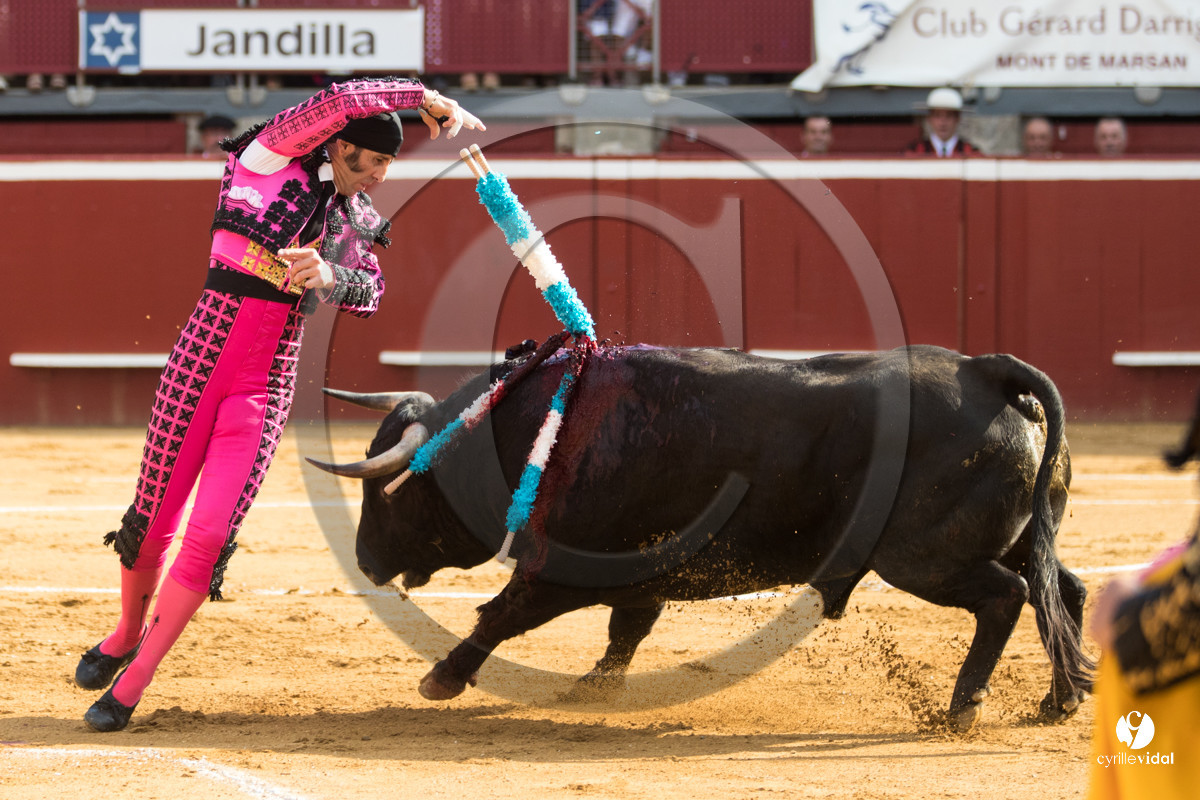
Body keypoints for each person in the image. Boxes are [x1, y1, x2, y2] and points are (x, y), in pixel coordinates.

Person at [74, 77, 485, 732]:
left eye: (388, 164)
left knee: (209, 537)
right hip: (199, 363)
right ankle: (125, 633)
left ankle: (132, 685)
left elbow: (371, 291)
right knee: (152, 519)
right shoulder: (266, 161)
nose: (379, 175)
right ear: (343, 146)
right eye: (373, 160)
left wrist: (330, 275)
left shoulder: (356, 220)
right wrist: (421, 95)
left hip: (266, 384)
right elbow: (339, 99)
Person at [905, 87, 977, 157]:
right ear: (929, 119)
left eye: (949, 116)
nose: (942, 122)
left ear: (957, 119)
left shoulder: (971, 152)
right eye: (937, 116)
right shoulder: (915, 152)